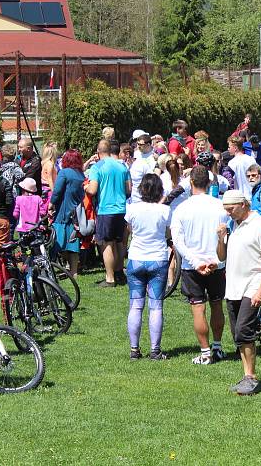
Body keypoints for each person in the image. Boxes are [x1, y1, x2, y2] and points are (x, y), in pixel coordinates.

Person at [170, 165, 230, 365]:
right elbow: (227, 235)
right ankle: (218, 346)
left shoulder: (182, 208)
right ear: (210, 183)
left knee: (198, 308)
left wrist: (195, 262)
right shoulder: (220, 206)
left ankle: (205, 352)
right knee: (216, 305)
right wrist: (216, 260)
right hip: (216, 263)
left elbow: (178, 241)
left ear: (191, 183)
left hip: (192, 266)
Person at [216, 190, 261, 395]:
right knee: (238, 335)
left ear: (243, 204)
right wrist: (221, 238)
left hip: (253, 285)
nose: (228, 213)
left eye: (231, 209)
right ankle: (247, 375)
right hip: (233, 287)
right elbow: (222, 257)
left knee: (243, 330)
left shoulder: (260, 225)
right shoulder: (234, 225)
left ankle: (251, 376)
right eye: (226, 210)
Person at [124, 174, 171, 361]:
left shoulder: (132, 209)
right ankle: (155, 349)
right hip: (158, 259)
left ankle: (134, 349)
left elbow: (130, 230)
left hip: (136, 258)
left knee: (135, 306)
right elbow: (168, 233)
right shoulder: (164, 210)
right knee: (156, 306)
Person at [86, 140, 131, 287]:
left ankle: (110, 278)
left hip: (106, 209)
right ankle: (119, 273)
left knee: (106, 244)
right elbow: (129, 190)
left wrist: (86, 186)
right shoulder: (122, 166)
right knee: (119, 242)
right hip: (121, 209)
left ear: (98, 153)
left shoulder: (97, 167)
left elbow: (92, 190)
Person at [50, 149, 85, 276]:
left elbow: (57, 191)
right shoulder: (81, 175)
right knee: (73, 244)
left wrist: (51, 203)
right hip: (77, 213)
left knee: (58, 242)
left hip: (63, 212)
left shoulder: (64, 173)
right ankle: (74, 271)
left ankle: (59, 267)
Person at [128, 133, 156, 203]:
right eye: (137, 144)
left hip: (149, 188)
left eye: (141, 145)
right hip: (135, 191)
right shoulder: (136, 153)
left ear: (148, 145)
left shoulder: (155, 155)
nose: (138, 146)